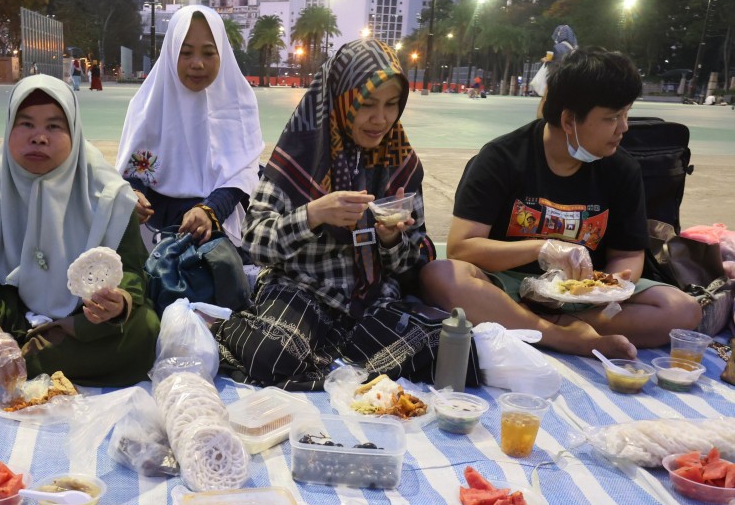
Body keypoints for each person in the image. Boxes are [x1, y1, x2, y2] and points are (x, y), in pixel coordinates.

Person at [420, 47, 701, 359]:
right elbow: (462, 248)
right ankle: (565, 338)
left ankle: (548, 325)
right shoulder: (501, 159)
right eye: (612, 118)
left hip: (582, 296)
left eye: (626, 114)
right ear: (569, 120)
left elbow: (628, 254)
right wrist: (541, 249)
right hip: (507, 288)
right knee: (440, 275)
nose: (624, 128)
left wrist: (609, 285)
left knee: (683, 309)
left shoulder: (622, 169)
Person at [215, 38, 431, 389]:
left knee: (444, 348)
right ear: (341, 99)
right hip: (304, 290)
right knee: (272, 355)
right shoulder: (302, 153)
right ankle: (231, 329)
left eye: (392, 104)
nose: (381, 119)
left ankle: (331, 357)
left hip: (371, 298)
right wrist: (313, 215)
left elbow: (411, 261)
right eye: (367, 104)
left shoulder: (400, 162)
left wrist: (392, 239)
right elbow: (254, 241)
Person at [0, 75, 159, 389]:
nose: (39, 138)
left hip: (81, 317)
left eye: (54, 126)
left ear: (75, 133)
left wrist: (119, 301)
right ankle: (3, 353)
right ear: (9, 129)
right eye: (26, 124)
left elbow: (130, 269)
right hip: (12, 312)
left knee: (143, 329)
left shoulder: (109, 196)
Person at [115, 5, 263, 247]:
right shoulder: (146, 105)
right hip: (158, 228)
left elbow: (243, 174)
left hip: (219, 225)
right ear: (171, 51)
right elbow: (131, 171)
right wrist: (134, 194)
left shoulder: (239, 106)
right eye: (185, 53)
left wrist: (209, 210)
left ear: (222, 53)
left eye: (208, 53)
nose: (197, 63)